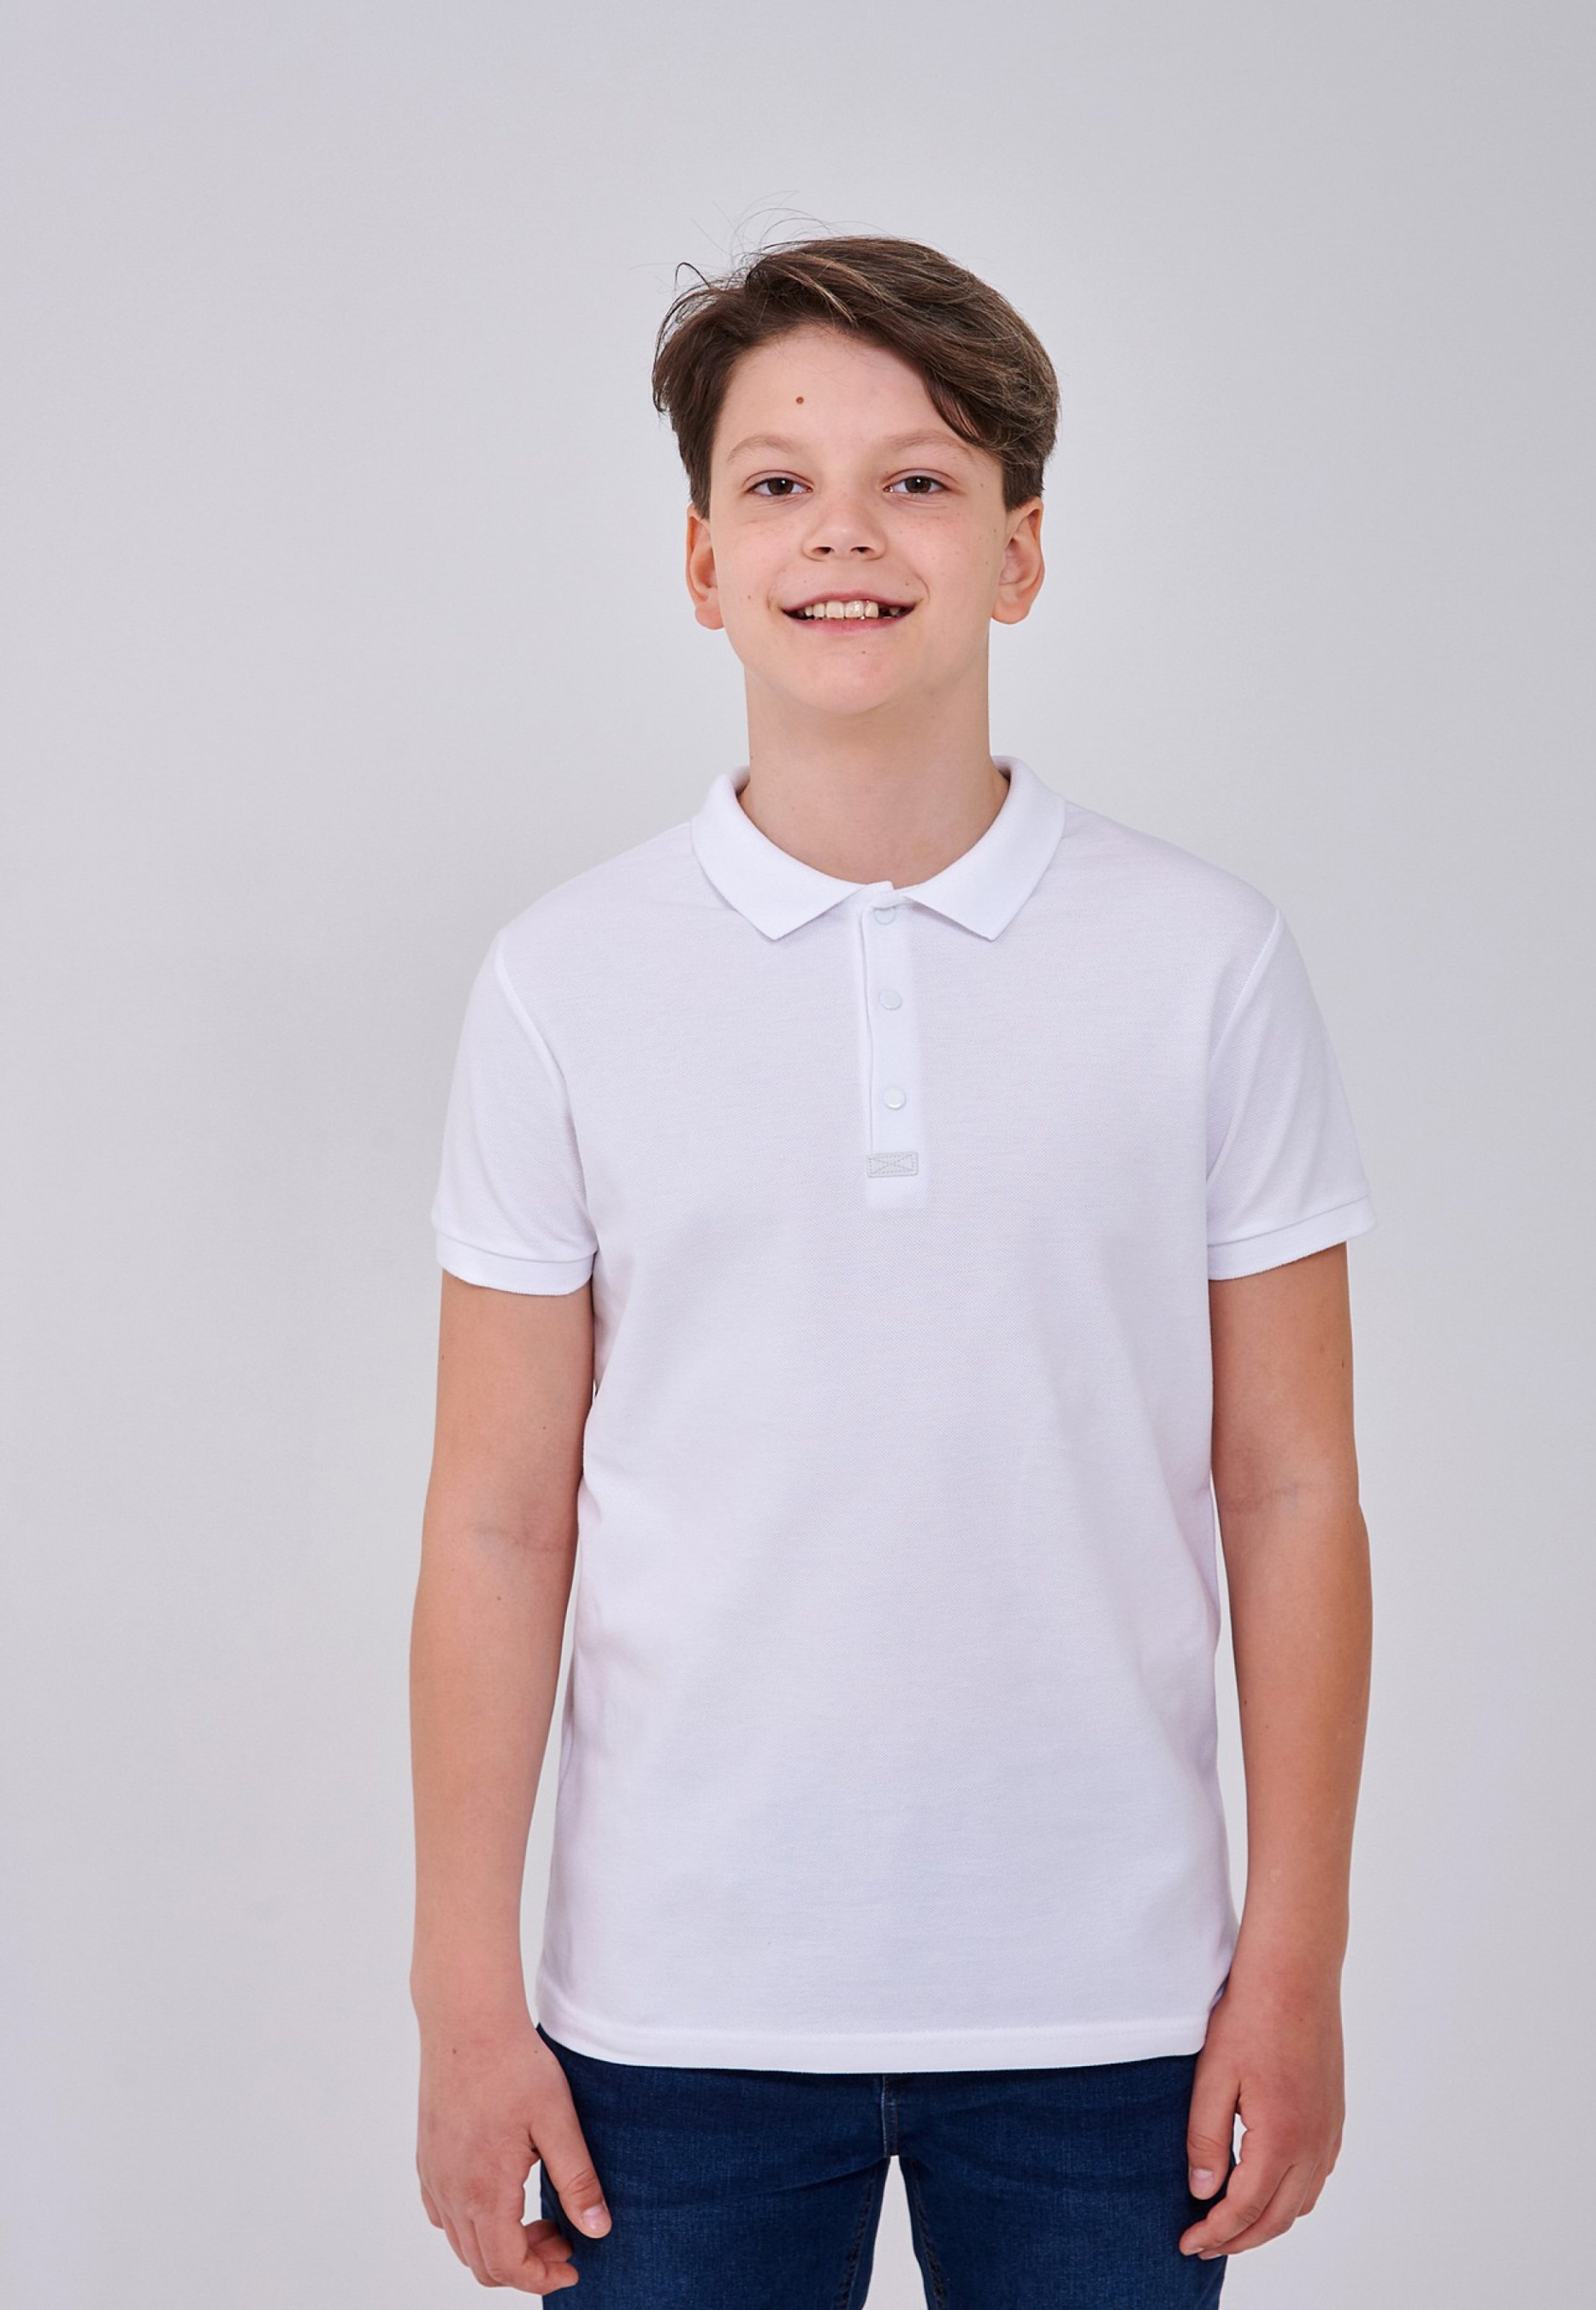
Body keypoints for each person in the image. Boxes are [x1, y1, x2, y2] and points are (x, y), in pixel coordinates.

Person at [411, 234, 1376, 2307]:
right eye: (776, 484)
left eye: (917, 480)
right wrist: (461, 2003)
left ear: (1018, 552)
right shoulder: (565, 981)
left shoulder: (1201, 962)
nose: (842, 533)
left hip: (1111, 2012)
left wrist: (1292, 1962)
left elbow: (1291, 1484)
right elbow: (497, 1516)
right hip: (667, 2017)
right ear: (701, 564)